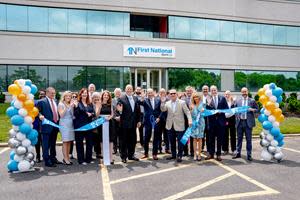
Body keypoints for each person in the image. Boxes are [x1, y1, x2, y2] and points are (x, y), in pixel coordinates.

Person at [161, 89, 192, 163]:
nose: (172, 95)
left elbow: (187, 112)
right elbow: (163, 109)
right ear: (169, 95)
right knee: (172, 141)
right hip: (170, 125)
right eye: (171, 94)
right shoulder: (167, 103)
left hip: (180, 125)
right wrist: (162, 102)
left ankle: (180, 155)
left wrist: (190, 120)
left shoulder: (182, 102)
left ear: (176, 94)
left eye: (174, 93)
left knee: (180, 142)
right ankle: (173, 155)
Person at [38, 87, 62, 167]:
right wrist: (40, 115)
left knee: (53, 143)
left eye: (54, 93)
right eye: (52, 93)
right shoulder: (41, 102)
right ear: (47, 93)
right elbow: (37, 112)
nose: (53, 94)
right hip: (46, 127)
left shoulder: (55, 101)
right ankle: (46, 160)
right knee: (46, 144)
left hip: (55, 126)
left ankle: (53, 158)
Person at [117, 84, 141, 163]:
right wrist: (120, 111)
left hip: (133, 124)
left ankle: (131, 155)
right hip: (124, 124)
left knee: (133, 140)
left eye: (130, 89)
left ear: (133, 90)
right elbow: (118, 110)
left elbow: (138, 111)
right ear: (125, 90)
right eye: (128, 89)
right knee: (123, 141)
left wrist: (139, 121)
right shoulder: (121, 99)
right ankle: (123, 156)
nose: (129, 90)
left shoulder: (135, 98)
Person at [233, 87, 258, 161]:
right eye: (243, 92)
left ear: (247, 92)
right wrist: (233, 102)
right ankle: (238, 153)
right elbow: (234, 109)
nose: (244, 93)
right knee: (239, 139)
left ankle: (249, 155)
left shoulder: (252, 100)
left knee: (249, 140)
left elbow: (257, 109)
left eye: (245, 91)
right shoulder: (238, 100)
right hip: (239, 122)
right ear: (241, 92)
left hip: (248, 123)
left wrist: (252, 109)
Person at [205, 85, 229, 161]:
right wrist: (208, 105)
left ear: (217, 90)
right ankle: (211, 154)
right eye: (212, 90)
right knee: (211, 139)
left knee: (219, 139)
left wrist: (220, 112)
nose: (213, 91)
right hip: (211, 123)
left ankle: (218, 154)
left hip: (221, 123)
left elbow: (227, 109)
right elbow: (206, 111)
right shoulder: (208, 99)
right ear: (210, 92)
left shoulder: (222, 98)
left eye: (214, 90)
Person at [139, 88, 163, 160]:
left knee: (155, 139)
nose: (149, 94)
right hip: (147, 123)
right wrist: (142, 97)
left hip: (156, 122)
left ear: (153, 93)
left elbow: (161, 110)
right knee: (146, 139)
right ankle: (146, 153)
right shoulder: (145, 100)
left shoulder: (158, 100)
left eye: (151, 93)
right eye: (148, 93)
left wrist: (159, 118)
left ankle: (154, 154)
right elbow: (139, 103)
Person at [73, 88, 95, 165]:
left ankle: (88, 159)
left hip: (88, 126)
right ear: (80, 94)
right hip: (79, 126)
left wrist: (90, 114)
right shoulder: (77, 103)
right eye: (83, 93)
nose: (85, 94)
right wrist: (75, 107)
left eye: (86, 93)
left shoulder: (90, 103)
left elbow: (94, 113)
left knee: (89, 143)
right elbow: (76, 114)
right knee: (79, 144)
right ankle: (81, 160)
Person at [57, 91, 75, 165]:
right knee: (65, 141)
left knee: (69, 141)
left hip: (71, 124)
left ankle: (68, 157)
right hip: (64, 123)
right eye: (67, 96)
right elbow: (61, 115)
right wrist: (68, 107)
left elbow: (72, 115)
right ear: (64, 97)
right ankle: (65, 158)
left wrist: (72, 107)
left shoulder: (71, 104)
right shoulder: (61, 104)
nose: (68, 97)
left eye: (70, 96)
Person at [98, 91, 115, 164]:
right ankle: (104, 157)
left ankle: (111, 158)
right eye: (104, 95)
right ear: (102, 96)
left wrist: (109, 118)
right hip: (101, 123)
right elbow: (97, 114)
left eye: (107, 95)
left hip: (109, 123)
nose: (106, 96)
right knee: (102, 140)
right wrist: (99, 107)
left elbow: (112, 114)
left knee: (110, 140)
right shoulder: (99, 103)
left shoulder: (110, 104)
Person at [190, 92, 205, 161]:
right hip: (194, 124)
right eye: (194, 97)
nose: (196, 98)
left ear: (199, 97)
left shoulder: (203, 104)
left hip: (201, 123)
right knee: (194, 139)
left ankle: (199, 154)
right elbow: (190, 115)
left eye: (197, 97)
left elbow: (205, 114)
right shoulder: (191, 105)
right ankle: (195, 154)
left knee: (200, 139)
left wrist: (203, 111)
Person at [33, 89, 46, 163]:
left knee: (44, 142)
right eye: (41, 94)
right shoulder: (35, 102)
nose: (42, 95)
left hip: (45, 125)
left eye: (44, 94)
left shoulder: (47, 103)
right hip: (37, 125)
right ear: (39, 95)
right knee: (37, 142)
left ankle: (45, 156)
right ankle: (38, 156)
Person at [223, 90, 236, 155]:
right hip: (225, 120)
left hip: (232, 120)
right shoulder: (222, 102)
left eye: (228, 94)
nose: (227, 95)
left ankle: (233, 149)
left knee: (233, 135)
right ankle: (225, 149)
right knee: (225, 135)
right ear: (224, 95)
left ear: (230, 95)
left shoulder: (233, 102)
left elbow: (236, 110)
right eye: (226, 94)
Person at [157, 88, 170, 154]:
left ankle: (167, 149)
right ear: (159, 93)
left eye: (163, 92)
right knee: (159, 135)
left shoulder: (168, 100)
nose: (162, 93)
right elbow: (156, 110)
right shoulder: (157, 100)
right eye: (161, 92)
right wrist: (158, 117)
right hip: (159, 120)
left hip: (166, 120)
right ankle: (159, 149)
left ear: (165, 93)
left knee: (166, 135)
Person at [91, 92, 102, 159]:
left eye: (98, 98)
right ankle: (91, 153)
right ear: (92, 99)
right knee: (92, 140)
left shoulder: (101, 105)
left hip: (99, 125)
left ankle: (98, 153)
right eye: (95, 98)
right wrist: (98, 108)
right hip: (92, 125)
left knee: (98, 140)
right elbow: (96, 116)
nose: (96, 100)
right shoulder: (90, 105)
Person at [112, 88, 122, 154]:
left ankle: (121, 149)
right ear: (114, 93)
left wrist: (121, 117)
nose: (118, 94)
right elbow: (111, 111)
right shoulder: (111, 100)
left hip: (121, 120)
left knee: (121, 135)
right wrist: (115, 117)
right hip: (114, 120)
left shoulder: (123, 100)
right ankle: (114, 148)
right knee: (114, 135)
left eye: (119, 92)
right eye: (116, 92)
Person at [201, 85, 210, 152]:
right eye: (204, 89)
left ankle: (209, 148)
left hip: (209, 119)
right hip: (201, 118)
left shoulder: (211, 97)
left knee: (209, 134)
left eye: (206, 89)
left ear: (208, 90)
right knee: (202, 134)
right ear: (202, 90)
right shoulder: (199, 98)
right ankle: (201, 147)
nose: (205, 90)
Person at [69, 92, 78, 160]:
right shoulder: (68, 104)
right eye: (73, 97)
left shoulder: (78, 105)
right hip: (69, 124)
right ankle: (70, 153)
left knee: (77, 139)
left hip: (77, 124)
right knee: (70, 139)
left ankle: (78, 154)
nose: (74, 98)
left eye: (75, 97)